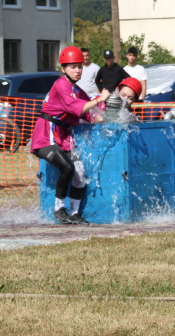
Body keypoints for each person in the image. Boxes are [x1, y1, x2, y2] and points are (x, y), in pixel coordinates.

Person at [31, 46, 111, 225]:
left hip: (63, 135)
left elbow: (88, 113)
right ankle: (59, 209)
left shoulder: (78, 90)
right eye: (73, 67)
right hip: (46, 134)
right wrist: (100, 99)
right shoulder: (61, 85)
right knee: (68, 168)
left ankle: (74, 213)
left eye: (80, 66)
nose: (77, 70)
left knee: (80, 173)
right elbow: (80, 108)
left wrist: (103, 118)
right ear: (63, 69)